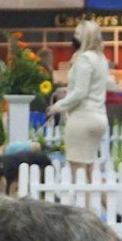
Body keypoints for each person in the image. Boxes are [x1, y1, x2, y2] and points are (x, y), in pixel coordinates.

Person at [47, 20, 108, 183]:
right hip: (99, 117)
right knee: (91, 171)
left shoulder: (84, 59)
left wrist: (57, 106)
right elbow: (90, 88)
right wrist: (68, 92)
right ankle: (112, 208)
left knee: (78, 173)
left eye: (77, 35)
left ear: (85, 38)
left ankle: (86, 208)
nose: (74, 38)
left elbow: (80, 93)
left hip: (82, 118)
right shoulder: (101, 59)